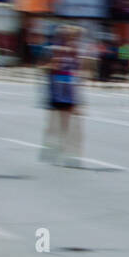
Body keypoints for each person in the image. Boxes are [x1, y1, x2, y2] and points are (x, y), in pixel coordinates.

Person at [40, 27, 86, 168]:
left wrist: (79, 99)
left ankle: (65, 151)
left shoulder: (75, 53)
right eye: (72, 38)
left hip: (69, 93)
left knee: (68, 124)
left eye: (75, 38)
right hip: (57, 92)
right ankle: (53, 149)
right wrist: (54, 65)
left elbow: (77, 75)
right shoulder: (55, 51)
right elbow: (45, 68)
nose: (74, 41)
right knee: (55, 124)